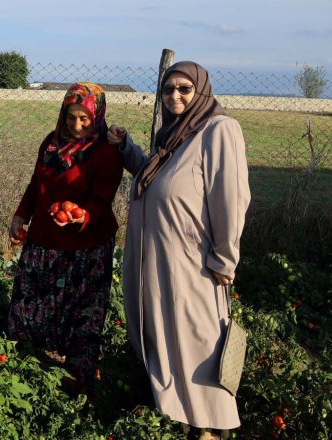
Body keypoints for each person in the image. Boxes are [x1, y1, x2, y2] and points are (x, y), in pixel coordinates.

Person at [108, 61, 250, 439]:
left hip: (193, 264)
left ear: (200, 92)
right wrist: (126, 148)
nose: (175, 96)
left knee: (199, 340)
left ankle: (211, 427)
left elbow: (231, 197)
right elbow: (156, 178)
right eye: (168, 90)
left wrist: (224, 258)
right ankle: (182, 417)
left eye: (184, 89)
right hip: (159, 262)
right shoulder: (173, 136)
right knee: (168, 337)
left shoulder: (218, 130)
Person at [7, 82, 123, 393]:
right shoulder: (51, 142)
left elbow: (103, 199)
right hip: (44, 240)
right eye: (71, 117)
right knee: (30, 303)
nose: (77, 125)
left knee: (82, 312)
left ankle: (76, 380)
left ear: (97, 116)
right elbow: (36, 184)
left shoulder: (106, 149)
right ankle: (26, 366)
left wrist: (81, 215)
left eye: (84, 118)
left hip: (87, 247)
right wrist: (21, 215)